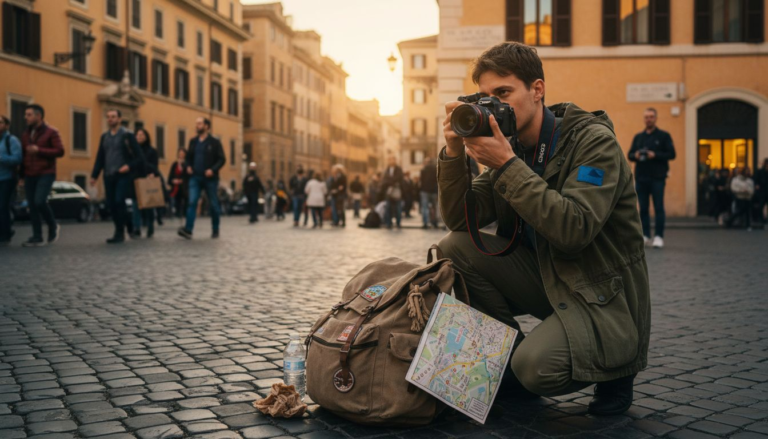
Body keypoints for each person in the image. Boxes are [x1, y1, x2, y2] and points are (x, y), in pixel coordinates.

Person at [437, 42, 649, 416]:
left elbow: (574, 228)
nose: (495, 107)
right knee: (454, 247)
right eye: (485, 98)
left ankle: (617, 367)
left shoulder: (593, 143)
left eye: (503, 93)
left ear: (537, 90)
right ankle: (502, 361)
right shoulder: (510, 149)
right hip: (546, 277)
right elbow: (460, 220)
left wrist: (505, 164)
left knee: (533, 368)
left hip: (597, 289)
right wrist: (454, 154)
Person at [90, 109, 145, 244]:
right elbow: (100, 157)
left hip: (122, 175)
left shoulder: (127, 136)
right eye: (108, 117)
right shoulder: (104, 137)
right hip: (108, 175)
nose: (110, 119)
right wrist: (94, 175)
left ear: (119, 119)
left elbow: (140, 157)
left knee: (119, 201)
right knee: (111, 204)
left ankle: (119, 232)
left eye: (113, 117)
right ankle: (129, 224)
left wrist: (129, 166)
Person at [628, 108, 676, 249]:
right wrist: (635, 155)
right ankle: (645, 235)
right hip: (641, 177)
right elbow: (629, 154)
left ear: (655, 118)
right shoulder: (639, 137)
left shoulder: (664, 136)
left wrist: (655, 155)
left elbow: (672, 154)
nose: (648, 119)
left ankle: (659, 236)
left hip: (657, 178)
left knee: (659, 207)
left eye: (651, 117)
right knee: (642, 208)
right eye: (646, 117)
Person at [20, 104, 65, 247]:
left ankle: (52, 225)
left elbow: (60, 151)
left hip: (46, 172)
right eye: (25, 114)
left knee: (39, 201)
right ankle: (37, 236)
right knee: (32, 205)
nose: (25, 117)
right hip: (29, 173)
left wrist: (39, 150)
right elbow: (23, 155)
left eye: (29, 114)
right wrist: (21, 176)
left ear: (38, 116)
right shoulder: (25, 134)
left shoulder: (51, 132)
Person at [178, 117, 225, 240]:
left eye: (199, 124)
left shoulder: (215, 142)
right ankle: (188, 229)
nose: (197, 126)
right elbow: (188, 158)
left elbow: (222, 159)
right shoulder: (193, 141)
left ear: (206, 126)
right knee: (192, 202)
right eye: (196, 123)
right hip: (195, 177)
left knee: (213, 204)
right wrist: (188, 166)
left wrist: (212, 170)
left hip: (210, 178)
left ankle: (215, 229)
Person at [131, 128, 158, 238]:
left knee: (148, 205)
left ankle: (150, 225)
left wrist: (151, 173)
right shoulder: (133, 151)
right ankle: (136, 228)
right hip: (136, 179)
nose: (139, 136)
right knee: (135, 205)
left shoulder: (152, 151)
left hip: (147, 179)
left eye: (141, 135)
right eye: (137, 135)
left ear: (146, 137)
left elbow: (155, 166)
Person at [0, 115, 22, 245]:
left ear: (6, 125)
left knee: (2, 206)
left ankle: (5, 233)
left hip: (7, 179)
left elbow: (17, 158)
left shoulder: (11, 140)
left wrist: (2, 158)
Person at [381, 156, 403, 229]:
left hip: (396, 191)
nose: (391, 161)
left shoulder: (398, 169)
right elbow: (384, 180)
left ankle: (398, 223)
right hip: (388, 192)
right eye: (389, 160)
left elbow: (399, 178)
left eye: (392, 160)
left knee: (398, 209)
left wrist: (390, 181)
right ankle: (388, 223)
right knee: (388, 208)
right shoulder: (386, 170)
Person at [168, 148, 189, 218]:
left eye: (183, 154)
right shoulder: (174, 164)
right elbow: (170, 177)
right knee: (176, 201)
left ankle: (184, 214)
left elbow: (188, 176)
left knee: (186, 202)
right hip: (175, 188)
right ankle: (175, 213)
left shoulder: (187, 164)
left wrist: (182, 180)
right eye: (180, 153)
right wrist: (173, 181)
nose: (181, 155)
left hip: (184, 188)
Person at [420, 158, 439, 229]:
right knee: (435, 207)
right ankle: (435, 222)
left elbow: (421, 181)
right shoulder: (436, 169)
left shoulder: (423, 169)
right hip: (434, 191)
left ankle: (425, 223)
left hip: (425, 191)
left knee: (425, 208)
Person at [754, 159, 768, 227]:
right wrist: (757, 185)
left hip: (765, 191)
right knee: (761, 206)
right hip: (762, 192)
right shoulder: (760, 172)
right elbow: (756, 180)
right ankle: (761, 219)